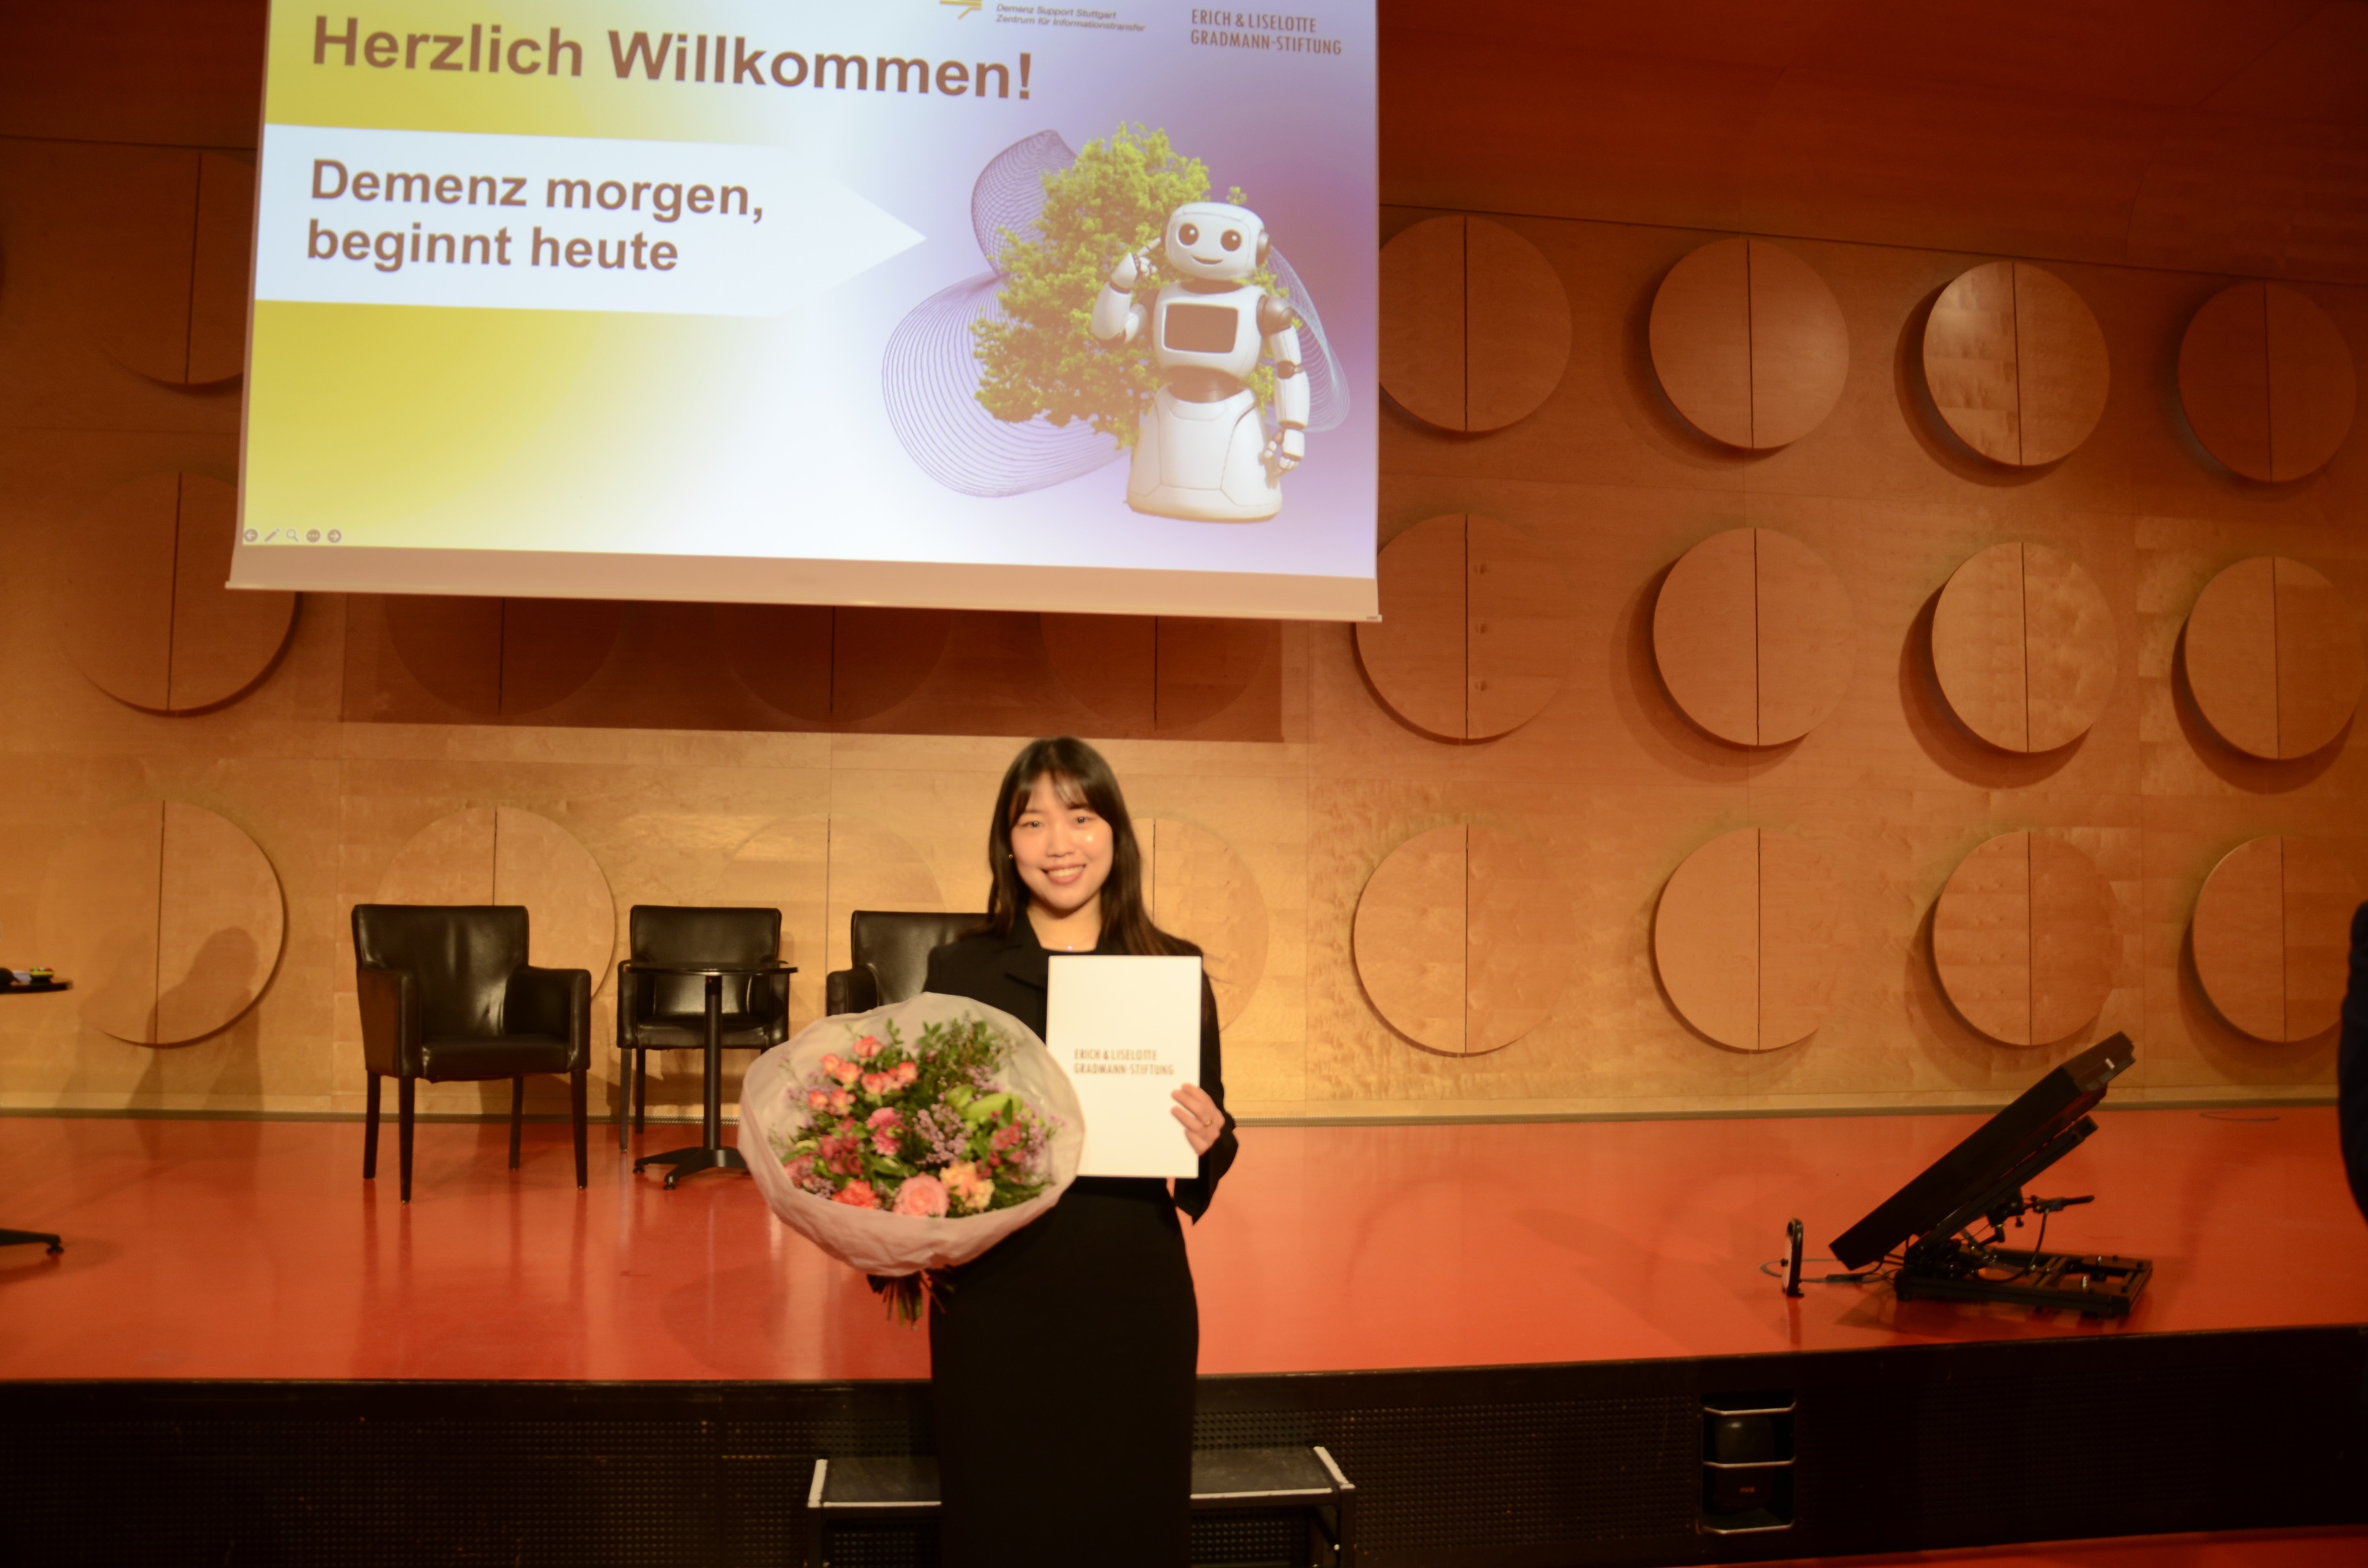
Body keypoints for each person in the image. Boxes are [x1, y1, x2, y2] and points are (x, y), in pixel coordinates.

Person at [922, 736, 1239, 1567]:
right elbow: (928, 1134)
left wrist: (1209, 1137)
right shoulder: (960, 969)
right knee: (1000, 1516)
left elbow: (1211, 1138)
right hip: (994, 1290)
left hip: (1130, 1285)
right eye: (1032, 822)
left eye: (1080, 816)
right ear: (1007, 843)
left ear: (1115, 833)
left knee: (1129, 1516)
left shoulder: (1171, 970)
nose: (1058, 843)